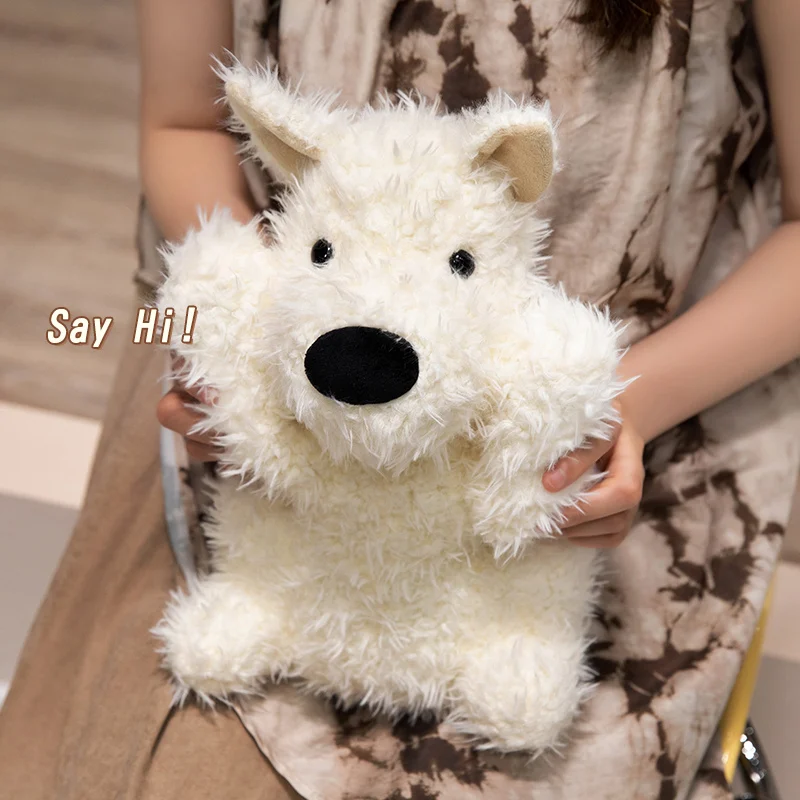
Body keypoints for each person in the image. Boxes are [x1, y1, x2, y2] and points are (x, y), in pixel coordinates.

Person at [1, 0, 799, 797]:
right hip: (276, 423)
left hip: (624, 427)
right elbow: (185, 124)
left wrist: (608, 409)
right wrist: (248, 336)